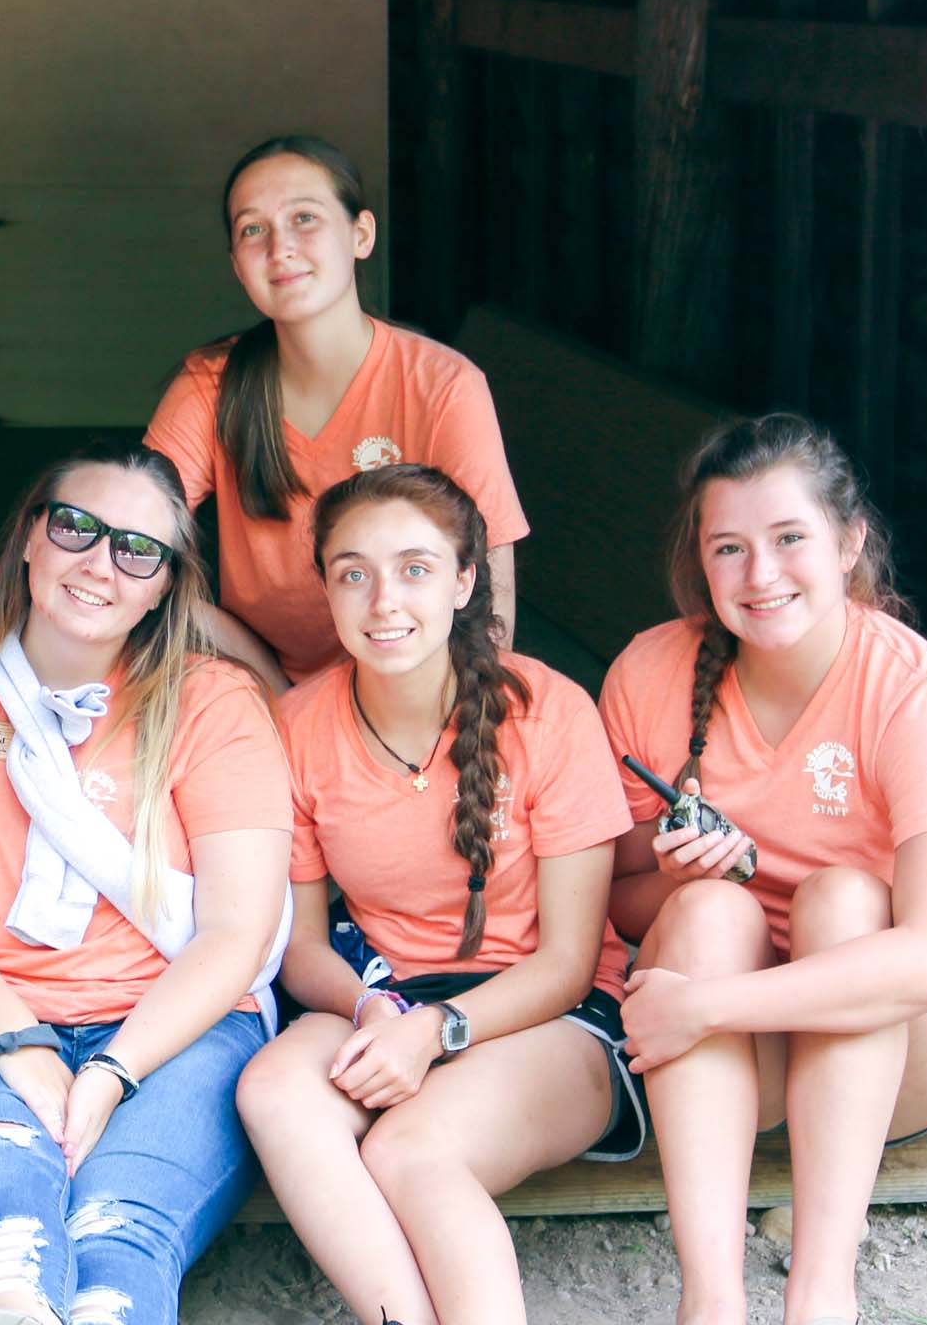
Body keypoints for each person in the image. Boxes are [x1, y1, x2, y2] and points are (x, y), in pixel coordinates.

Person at [0, 441, 290, 1325]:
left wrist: (113, 1072)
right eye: (77, 528)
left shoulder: (215, 702)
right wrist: (22, 1043)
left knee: (117, 1236)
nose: (100, 564)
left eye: (138, 550)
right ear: (29, 538)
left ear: (167, 584)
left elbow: (235, 935)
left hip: (176, 1028)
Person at [602, 413, 927, 1325]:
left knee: (845, 897)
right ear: (700, 563)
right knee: (707, 911)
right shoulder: (649, 673)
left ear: (849, 541)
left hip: (915, 1028)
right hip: (737, 1031)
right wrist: (676, 881)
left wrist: (708, 1007)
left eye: (789, 539)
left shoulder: (916, 692)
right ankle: (709, 1302)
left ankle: (822, 1295)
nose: (761, 576)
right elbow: (623, 909)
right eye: (729, 548)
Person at [235, 465, 642, 1325]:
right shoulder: (297, 726)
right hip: (389, 996)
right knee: (272, 1091)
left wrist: (440, 1030)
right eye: (354, 572)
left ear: (465, 582)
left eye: (415, 568)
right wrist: (373, 1009)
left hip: (546, 1018)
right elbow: (302, 947)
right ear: (328, 589)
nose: (384, 600)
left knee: (411, 1148)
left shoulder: (550, 712)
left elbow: (570, 962)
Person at [144, 134, 527, 691]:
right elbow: (129, 533)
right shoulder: (211, 386)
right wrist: (259, 675)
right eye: (253, 229)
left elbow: (491, 586)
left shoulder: (443, 386)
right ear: (236, 263)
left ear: (361, 234)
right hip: (263, 690)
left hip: (412, 688)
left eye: (304, 218)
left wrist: (456, 706)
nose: (280, 248)